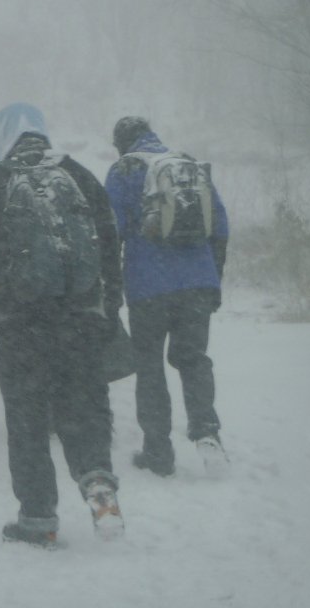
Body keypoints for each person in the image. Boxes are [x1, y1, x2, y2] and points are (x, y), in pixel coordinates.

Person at [0, 103, 125, 547]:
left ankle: (38, 518)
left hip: (22, 325)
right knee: (83, 406)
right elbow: (109, 246)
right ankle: (98, 482)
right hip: (83, 320)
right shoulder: (79, 174)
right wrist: (109, 312)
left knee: (27, 422)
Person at [104, 116, 229, 478]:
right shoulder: (188, 166)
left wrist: (111, 289)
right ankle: (207, 433)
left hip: (149, 287)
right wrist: (213, 280)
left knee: (150, 367)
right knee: (193, 358)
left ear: (120, 142)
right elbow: (220, 226)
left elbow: (112, 233)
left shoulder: (124, 170)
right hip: (197, 284)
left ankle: (158, 452)